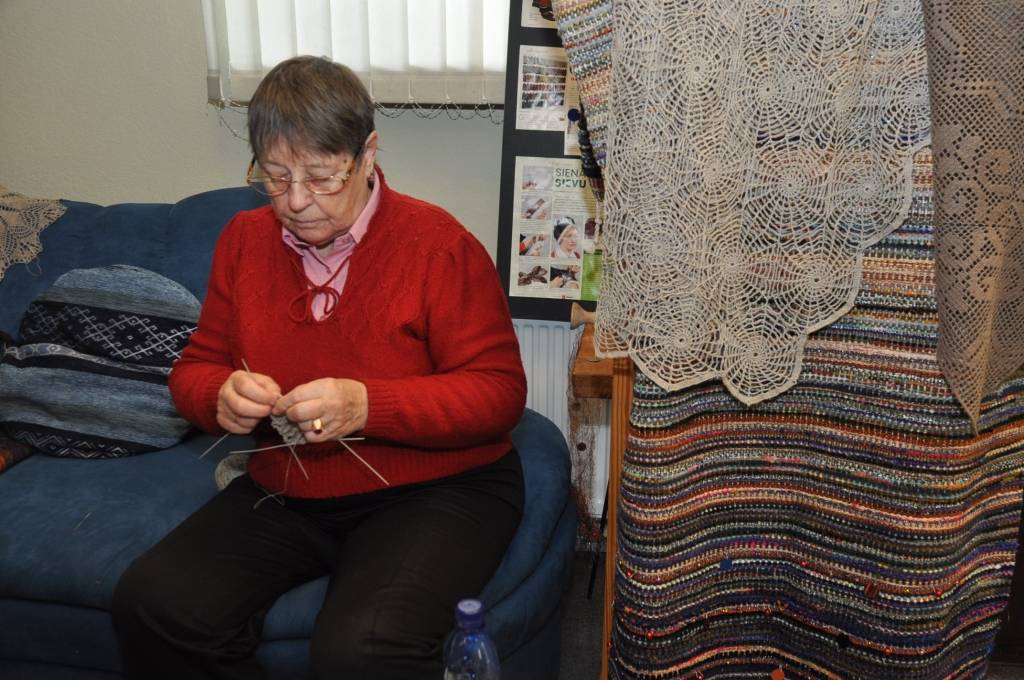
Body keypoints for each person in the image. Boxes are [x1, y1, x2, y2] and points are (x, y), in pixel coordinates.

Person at [111, 56, 527, 680]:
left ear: (367, 155)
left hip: (439, 489)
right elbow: (195, 368)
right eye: (276, 177)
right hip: (291, 486)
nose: (297, 201)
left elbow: (499, 393)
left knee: (362, 650)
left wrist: (367, 405)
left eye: (322, 177)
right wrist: (220, 394)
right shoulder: (244, 239)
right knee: (154, 606)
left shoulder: (439, 245)